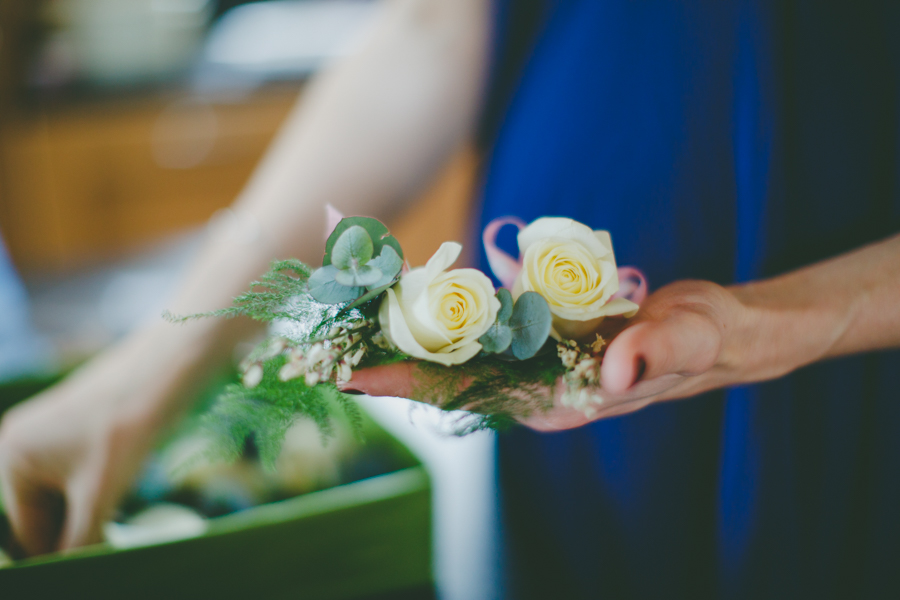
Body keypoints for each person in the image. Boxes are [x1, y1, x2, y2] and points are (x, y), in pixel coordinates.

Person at [1, 0, 899, 597]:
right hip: (579, 415)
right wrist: (140, 379)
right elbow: (440, 22)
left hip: (859, 390)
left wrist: (777, 323)